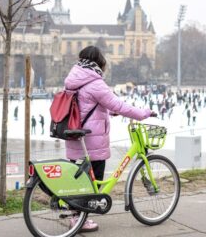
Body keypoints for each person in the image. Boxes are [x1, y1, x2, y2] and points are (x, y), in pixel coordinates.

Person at [63, 46, 155, 232]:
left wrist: (108, 111)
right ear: (99, 62)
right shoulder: (95, 82)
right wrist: (143, 113)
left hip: (74, 136)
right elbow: (118, 104)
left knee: (79, 180)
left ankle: (76, 215)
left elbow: (88, 104)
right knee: (91, 181)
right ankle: (78, 219)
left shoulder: (75, 78)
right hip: (92, 142)